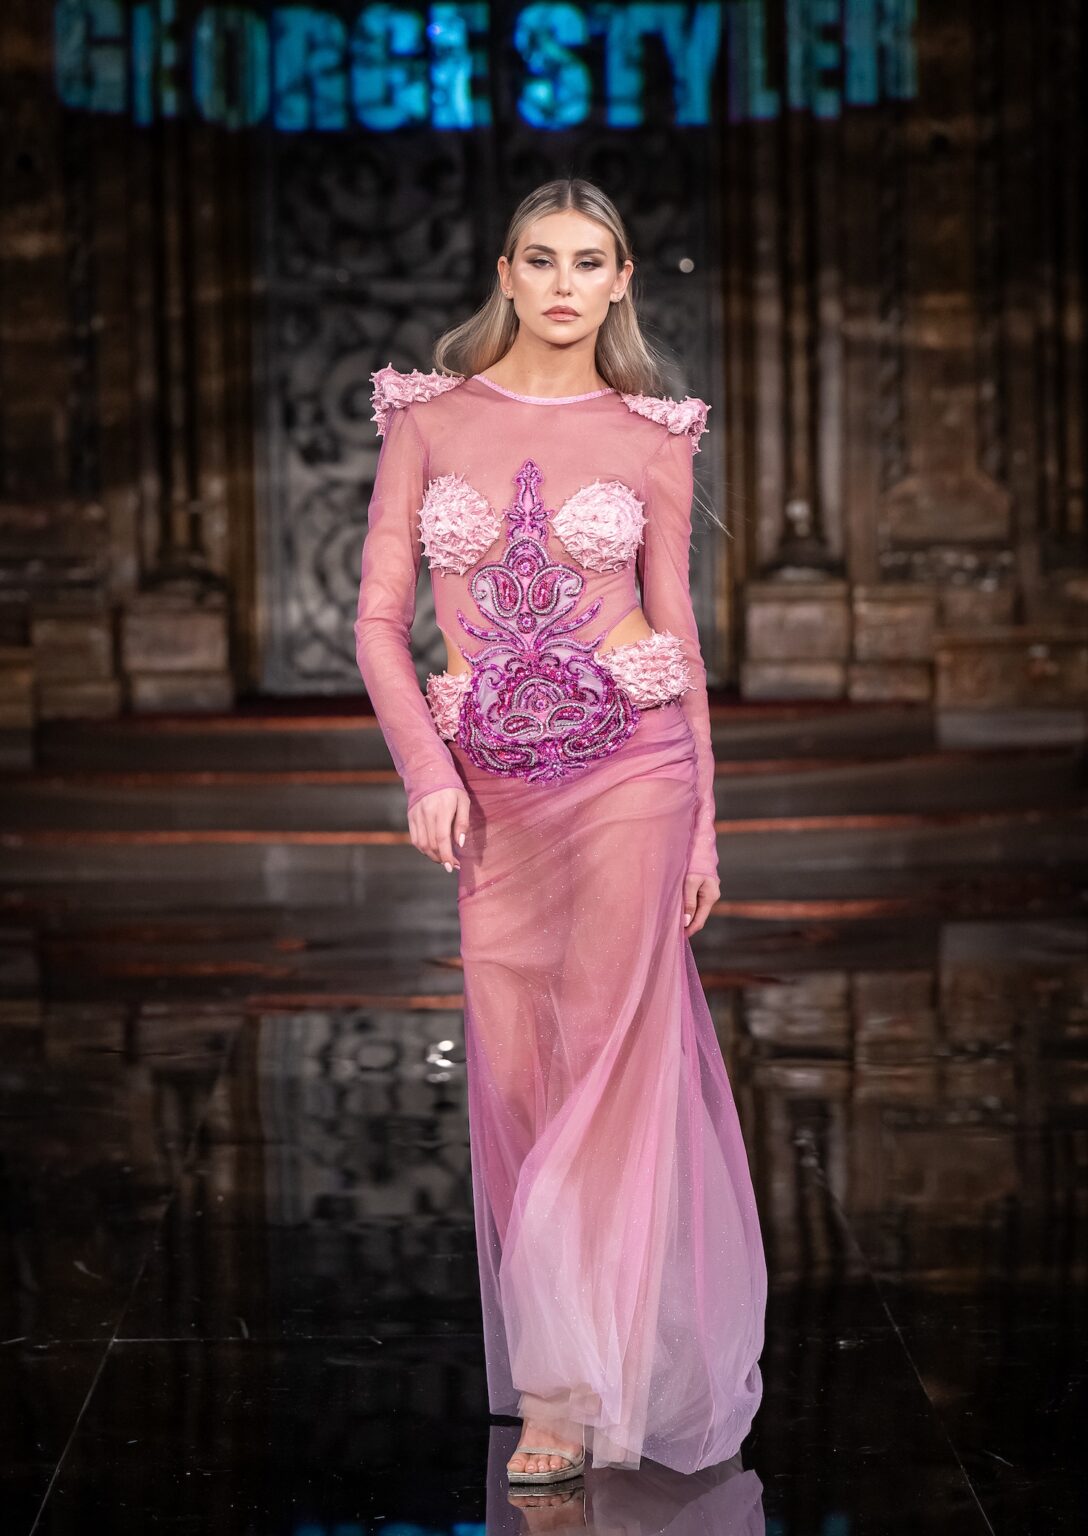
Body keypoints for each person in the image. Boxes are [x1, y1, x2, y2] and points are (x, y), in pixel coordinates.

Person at [354, 178, 766, 1485]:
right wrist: (425, 770)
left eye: (593, 262)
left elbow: (679, 635)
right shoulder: (425, 420)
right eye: (544, 260)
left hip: (635, 770)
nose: (567, 284)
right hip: (496, 789)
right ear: (508, 273)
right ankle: (570, 1350)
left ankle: (563, 1390)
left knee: (601, 1055)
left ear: (625, 279)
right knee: (517, 1066)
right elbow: (375, 622)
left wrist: (703, 825)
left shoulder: (654, 434)